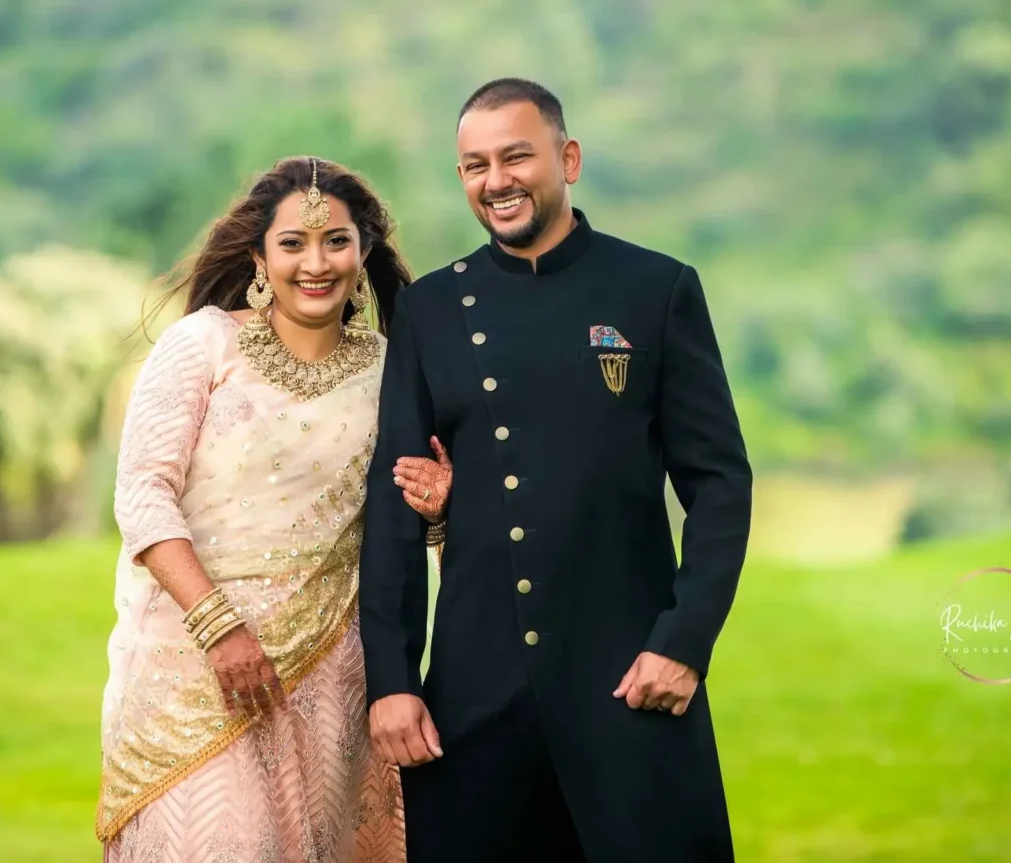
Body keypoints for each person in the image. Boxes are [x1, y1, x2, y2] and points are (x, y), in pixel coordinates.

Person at [358, 78, 754, 862]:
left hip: (631, 679)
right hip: (474, 697)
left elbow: (719, 484)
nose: (496, 181)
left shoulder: (655, 291)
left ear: (567, 158)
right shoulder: (432, 310)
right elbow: (394, 504)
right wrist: (393, 678)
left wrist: (685, 640)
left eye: (516, 156)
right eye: (474, 165)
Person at [96, 156, 454, 862]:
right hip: (192, 677)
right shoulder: (202, 346)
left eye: (336, 242)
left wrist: (440, 510)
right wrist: (219, 628)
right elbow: (142, 496)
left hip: (332, 686)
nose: (314, 263)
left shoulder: (393, 370)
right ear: (259, 255)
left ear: (364, 252)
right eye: (292, 244)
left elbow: (411, 527)